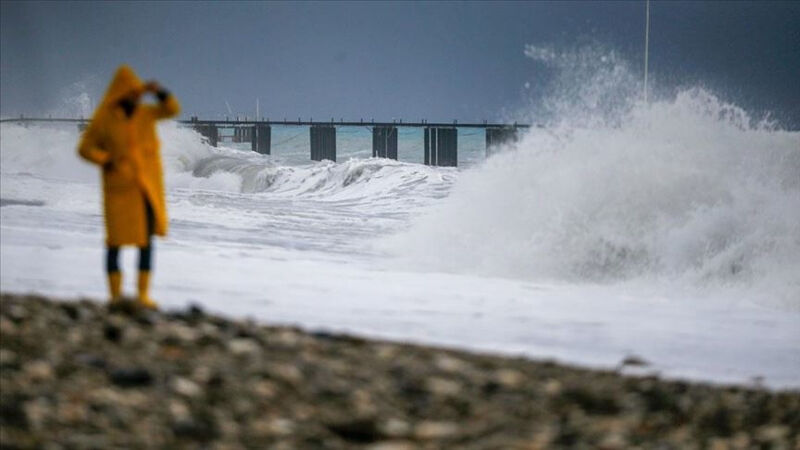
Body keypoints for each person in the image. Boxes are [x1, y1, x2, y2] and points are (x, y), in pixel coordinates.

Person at [78, 65, 180, 309]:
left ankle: (142, 295)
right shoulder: (104, 119)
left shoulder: (145, 114)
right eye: (132, 93)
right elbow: (85, 148)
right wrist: (105, 160)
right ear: (120, 93)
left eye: (138, 93)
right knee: (114, 242)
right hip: (118, 189)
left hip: (145, 187)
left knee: (146, 241)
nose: (136, 97)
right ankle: (115, 296)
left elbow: (172, 109)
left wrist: (160, 92)